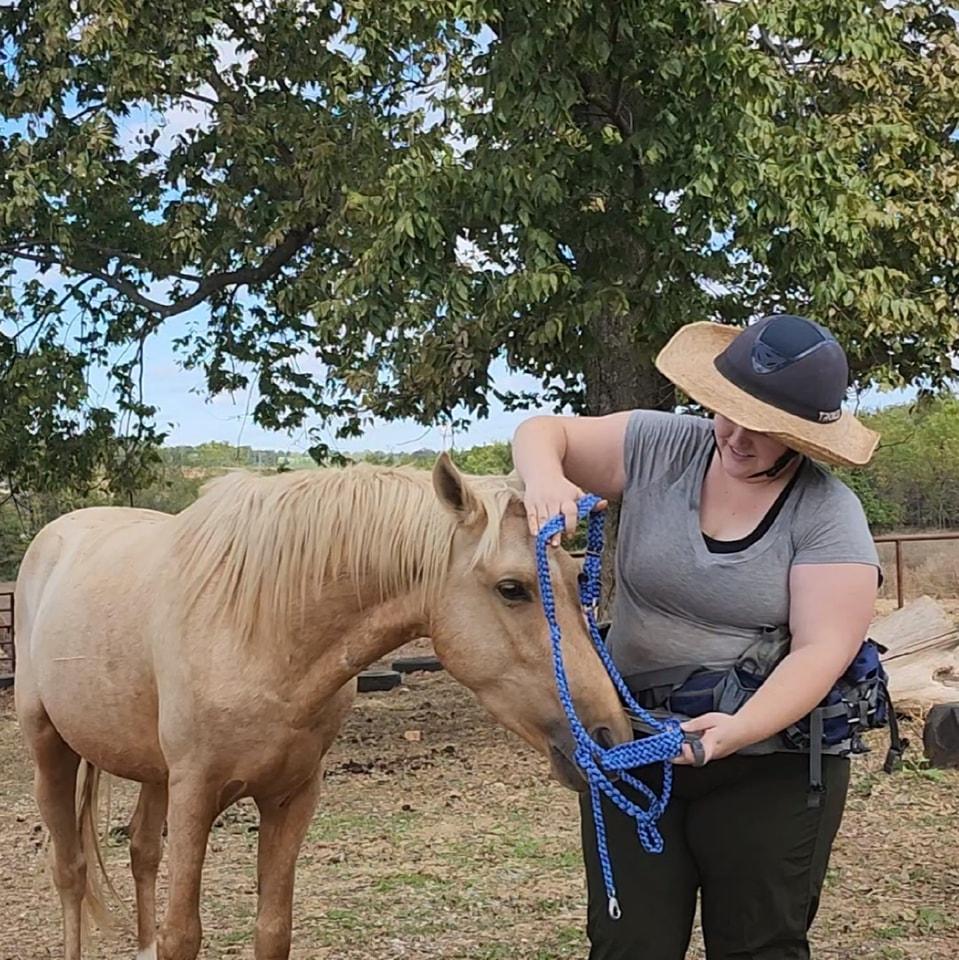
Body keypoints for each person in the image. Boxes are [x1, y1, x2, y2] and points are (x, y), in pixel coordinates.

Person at [512, 314, 882, 960]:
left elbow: (823, 649)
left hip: (770, 764)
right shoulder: (662, 445)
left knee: (756, 945)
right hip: (634, 743)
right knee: (628, 944)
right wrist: (545, 478)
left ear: (801, 438)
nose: (735, 436)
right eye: (726, 412)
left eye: (763, 428)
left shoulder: (828, 514)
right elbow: (545, 432)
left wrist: (735, 731)